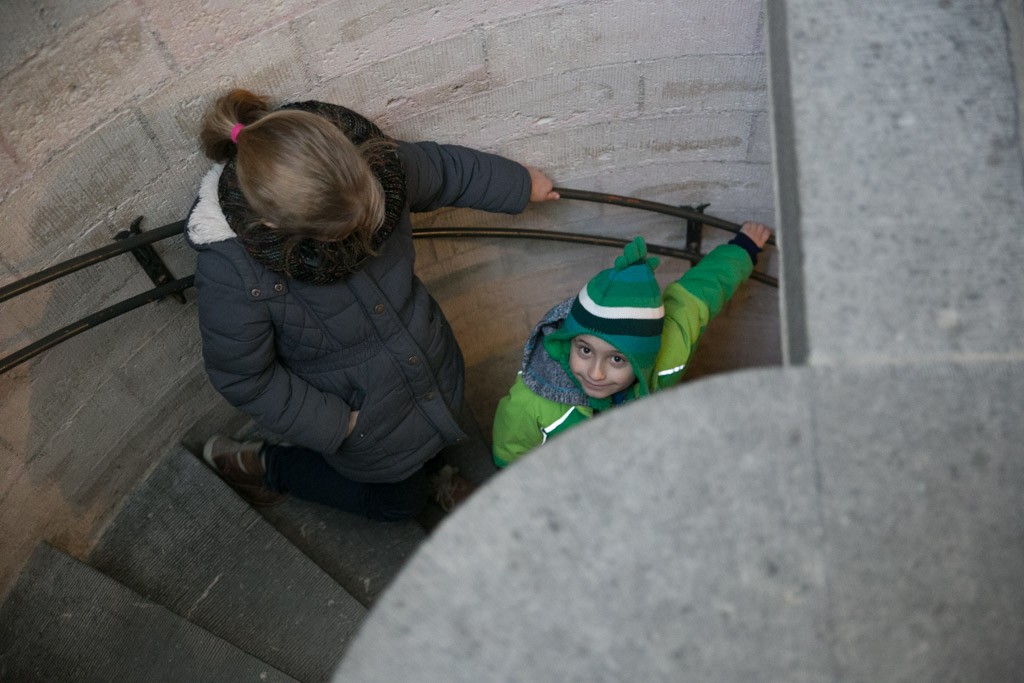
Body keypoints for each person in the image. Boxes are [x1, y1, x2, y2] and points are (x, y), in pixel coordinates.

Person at [187, 88, 558, 521]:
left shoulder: (376, 169)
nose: (366, 232)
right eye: (343, 231)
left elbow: (442, 171)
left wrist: (519, 184)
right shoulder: (234, 272)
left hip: (426, 365)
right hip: (361, 423)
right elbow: (243, 376)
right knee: (396, 502)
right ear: (272, 224)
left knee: (435, 434)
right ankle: (270, 467)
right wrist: (335, 424)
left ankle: (433, 473)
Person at [491, 222, 772, 467]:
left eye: (617, 359)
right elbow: (510, 454)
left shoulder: (668, 348)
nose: (595, 373)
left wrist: (743, 248)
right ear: (569, 340)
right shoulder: (534, 403)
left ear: (642, 360)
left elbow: (703, 290)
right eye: (585, 350)